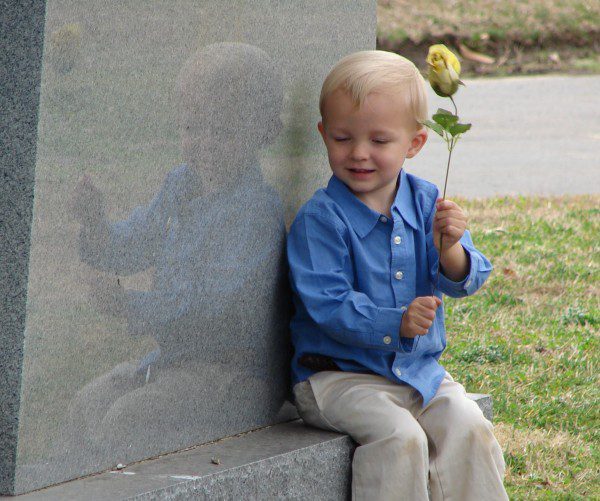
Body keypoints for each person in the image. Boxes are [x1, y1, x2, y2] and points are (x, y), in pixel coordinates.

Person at [287, 50, 508, 500]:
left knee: (468, 425)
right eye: (344, 138)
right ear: (323, 135)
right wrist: (396, 322)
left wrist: (450, 251)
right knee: (400, 438)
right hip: (336, 378)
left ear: (415, 144)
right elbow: (326, 304)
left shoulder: (428, 202)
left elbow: (469, 276)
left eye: (380, 141)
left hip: (417, 371)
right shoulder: (322, 219)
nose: (359, 153)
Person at [64, 42, 292, 461]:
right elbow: (133, 244)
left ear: (264, 133)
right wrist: (96, 222)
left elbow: (213, 305)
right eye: (192, 127)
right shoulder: (181, 184)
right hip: (176, 359)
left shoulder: (256, 211)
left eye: (222, 131)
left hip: (234, 374)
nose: (204, 143)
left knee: (129, 421)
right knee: (88, 404)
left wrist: (129, 304)